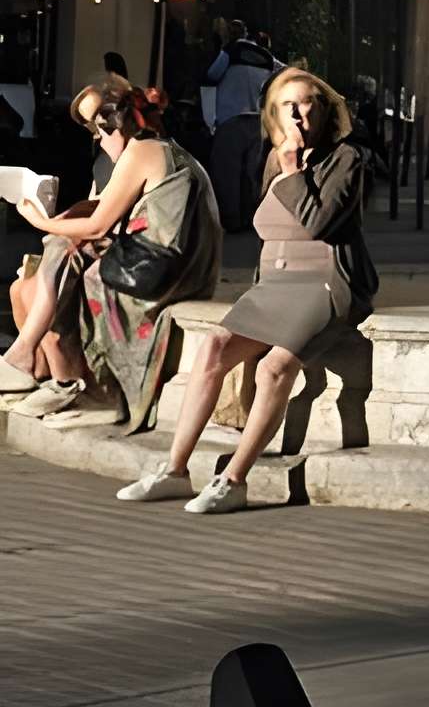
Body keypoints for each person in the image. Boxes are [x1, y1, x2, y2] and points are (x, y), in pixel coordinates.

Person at [120, 63, 376, 515]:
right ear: (274, 113)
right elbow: (268, 229)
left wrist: (294, 171)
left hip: (324, 282)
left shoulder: (346, 159)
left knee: (274, 368)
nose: (296, 115)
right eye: (287, 106)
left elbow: (317, 223)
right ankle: (175, 470)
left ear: (323, 110)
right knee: (214, 347)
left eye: (306, 105)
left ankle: (234, 480)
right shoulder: (274, 159)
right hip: (273, 286)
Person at [2, 76, 222, 422]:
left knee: (60, 253)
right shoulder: (155, 148)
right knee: (54, 257)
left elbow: (98, 225)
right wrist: (62, 221)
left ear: (119, 124)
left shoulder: (142, 151)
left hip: (162, 270)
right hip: (170, 262)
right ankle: (42, 368)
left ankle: (61, 377)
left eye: (99, 128)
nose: (96, 138)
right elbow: (102, 206)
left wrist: (41, 222)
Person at [204, 18, 277, 232]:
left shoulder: (230, 51)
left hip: (231, 118)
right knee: (252, 174)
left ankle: (232, 220)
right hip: (257, 121)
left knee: (227, 173)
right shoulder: (265, 57)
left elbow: (211, 76)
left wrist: (209, 118)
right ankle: (252, 218)